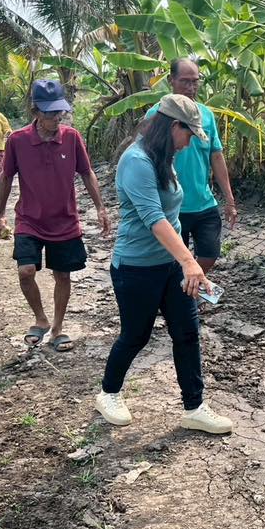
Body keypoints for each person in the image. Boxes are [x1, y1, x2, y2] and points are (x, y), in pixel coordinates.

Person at [95, 94, 233, 435]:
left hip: (169, 265)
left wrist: (186, 265)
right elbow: (154, 218)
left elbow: (172, 216)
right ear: (173, 126)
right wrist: (191, 262)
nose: (189, 142)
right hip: (135, 268)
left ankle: (195, 407)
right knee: (135, 335)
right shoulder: (137, 161)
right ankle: (108, 393)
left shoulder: (164, 157)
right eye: (188, 134)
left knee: (187, 333)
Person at [0, 79, 111, 352]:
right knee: (25, 271)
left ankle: (58, 327)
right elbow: (6, 176)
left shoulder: (71, 138)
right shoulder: (18, 141)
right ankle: (40, 318)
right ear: (36, 112)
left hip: (65, 220)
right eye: (49, 113)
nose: (56, 117)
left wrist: (100, 207)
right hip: (29, 219)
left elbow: (86, 172)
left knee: (63, 275)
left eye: (59, 111)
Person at [143, 58, 237, 273]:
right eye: (185, 81)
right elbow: (146, 160)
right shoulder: (155, 116)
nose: (191, 87)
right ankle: (182, 299)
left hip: (203, 201)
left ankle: (190, 288)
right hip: (172, 205)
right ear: (171, 81)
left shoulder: (206, 115)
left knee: (210, 254)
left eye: (195, 81)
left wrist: (229, 199)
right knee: (175, 259)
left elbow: (216, 156)